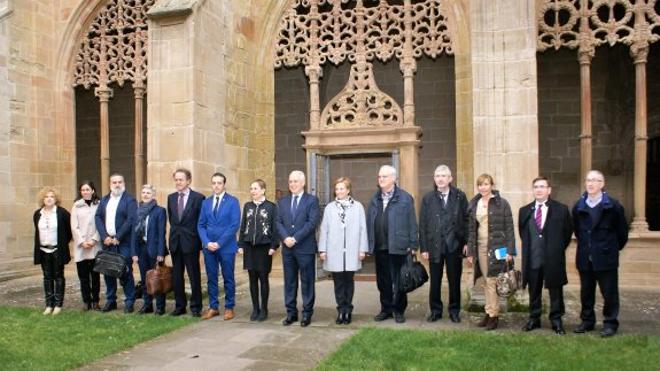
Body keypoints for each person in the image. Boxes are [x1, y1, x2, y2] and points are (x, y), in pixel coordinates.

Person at [572, 170, 628, 337]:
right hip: (585, 257)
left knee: (609, 292)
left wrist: (609, 249)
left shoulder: (613, 205)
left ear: (602, 184)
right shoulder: (578, 206)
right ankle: (587, 321)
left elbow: (622, 233)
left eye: (596, 180)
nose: (591, 183)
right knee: (586, 292)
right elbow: (578, 230)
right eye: (588, 180)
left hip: (605, 257)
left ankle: (610, 323)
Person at [519, 176, 573, 335]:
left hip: (553, 259)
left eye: (542, 186)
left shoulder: (561, 209)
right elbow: (524, 234)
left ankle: (556, 320)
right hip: (533, 258)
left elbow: (567, 233)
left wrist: (555, 249)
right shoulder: (525, 211)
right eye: (536, 187)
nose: (539, 190)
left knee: (555, 291)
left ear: (549, 190)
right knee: (534, 290)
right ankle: (534, 318)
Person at [367, 165, 418, 324]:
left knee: (399, 280)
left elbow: (412, 222)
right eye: (379, 177)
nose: (381, 179)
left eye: (384, 177)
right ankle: (386, 309)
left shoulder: (405, 198)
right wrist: (369, 244)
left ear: (394, 179)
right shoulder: (375, 199)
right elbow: (370, 222)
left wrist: (413, 244)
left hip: (399, 246)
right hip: (381, 247)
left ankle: (399, 310)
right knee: (383, 281)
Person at [419, 165, 468, 323]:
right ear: (434, 179)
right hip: (435, 245)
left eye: (443, 176)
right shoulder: (428, 199)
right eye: (437, 176)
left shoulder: (460, 196)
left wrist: (466, 242)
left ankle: (454, 310)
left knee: (454, 280)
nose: (440, 179)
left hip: (454, 245)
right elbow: (423, 224)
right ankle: (435, 311)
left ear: (450, 179)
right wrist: (424, 247)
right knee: (435, 281)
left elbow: (467, 221)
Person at [466, 173, 515, 330]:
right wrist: (470, 252)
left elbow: (509, 227)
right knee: (487, 282)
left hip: (497, 247)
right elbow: (471, 230)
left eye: (486, 184)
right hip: (480, 247)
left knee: (493, 281)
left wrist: (510, 250)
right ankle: (489, 312)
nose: (483, 187)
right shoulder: (475, 203)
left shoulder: (502, 204)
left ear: (492, 185)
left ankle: (493, 315)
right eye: (480, 184)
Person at [319, 177, 368, 325]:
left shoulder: (357, 207)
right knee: (338, 283)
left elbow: (362, 228)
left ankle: (348, 310)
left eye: (342, 188)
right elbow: (324, 229)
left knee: (349, 281)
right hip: (334, 250)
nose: (339, 191)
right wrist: (322, 249)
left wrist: (362, 249)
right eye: (337, 189)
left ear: (348, 190)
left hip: (352, 250)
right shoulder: (330, 207)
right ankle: (341, 310)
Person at [275, 170, 320, 327]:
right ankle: (291, 313)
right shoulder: (283, 202)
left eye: (295, 181)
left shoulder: (312, 201)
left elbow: (311, 222)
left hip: (305, 247)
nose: (292, 184)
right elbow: (278, 222)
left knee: (307, 281)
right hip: (288, 249)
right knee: (290, 281)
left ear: (303, 183)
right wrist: (286, 238)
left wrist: (295, 238)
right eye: (290, 181)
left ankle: (307, 313)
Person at [198, 172, 241, 320]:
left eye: (219, 183)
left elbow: (234, 224)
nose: (216, 186)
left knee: (228, 277)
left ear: (224, 184)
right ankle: (213, 307)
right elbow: (201, 225)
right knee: (211, 277)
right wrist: (207, 242)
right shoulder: (206, 203)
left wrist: (219, 243)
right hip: (209, 247)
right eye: (214, 183)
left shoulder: (232, 201)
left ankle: (229, 307)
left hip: (226, 246)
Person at [94, 173, 137, 313]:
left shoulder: (130, 200)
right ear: (110, 184)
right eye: (114, 182)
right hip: (107, 242)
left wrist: (118, 236)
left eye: (120, 182)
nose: (117, 184)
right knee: (108, 271)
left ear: (123, 183)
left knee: (126, 271)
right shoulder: (105, 200)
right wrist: (104, 236)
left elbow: (131, 220)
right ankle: (111, 300)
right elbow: (98, 217)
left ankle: (129, 301)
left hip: (123, 242)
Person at [238, 179, 279, 322]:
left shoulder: (271, 207)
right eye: (251, 188)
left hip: (264, 248)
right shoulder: (247, 206)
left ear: (263, 190)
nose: (252, 191)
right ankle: (255, 308)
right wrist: (240, 245)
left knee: (263, 278)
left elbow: (275, 228)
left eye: (255, 188)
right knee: (252, 279)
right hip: (249, 247)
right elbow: (243, 226)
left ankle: (264, 309)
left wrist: (274, 246)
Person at [167, 169, 205, 317]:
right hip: (176, 242)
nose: (178, 182)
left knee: (194, 275)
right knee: (177, 276)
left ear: (188, 181)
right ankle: (179, 306)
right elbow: (173, 219)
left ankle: (196, 307)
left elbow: (201, 221)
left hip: (191, 242)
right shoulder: (171, 198)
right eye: (176, 179)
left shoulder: (198, 198)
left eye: (181, 179)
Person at [34, 187, 72, 315]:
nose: (49, 199)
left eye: (52, 196)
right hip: (43, 250)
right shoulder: (38, 214)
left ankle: (58, 305)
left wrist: (62, 244)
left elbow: (68, 231)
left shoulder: (62, 213)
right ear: (42, 199)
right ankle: (49, 305)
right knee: (47, 277)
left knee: (58, 276)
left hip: (57, 250)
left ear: (56, 199)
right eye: (46, 197)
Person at [131, 184, 168, 315]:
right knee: (145, 279)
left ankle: (160, 306)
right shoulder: (137, 211)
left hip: (154, 249)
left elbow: (161, 233)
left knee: (157, 278)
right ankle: (147, 305)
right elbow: (133, 234)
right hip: (141, 249)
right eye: (143, 192)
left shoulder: (159, 211)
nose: (145, 195)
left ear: (153, 195)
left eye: (148, 193)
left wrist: (160, 252)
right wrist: (134, 252)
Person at [70, 180, 102, 311]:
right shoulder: (76, 206)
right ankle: (86, 302)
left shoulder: (99, 205)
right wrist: (82, 242)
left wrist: (94, 240)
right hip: (81, 246)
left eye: (87, 189)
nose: (85, 192)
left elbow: (101, 224)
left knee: (95, 276)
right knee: (83, 277)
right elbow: (74, 226)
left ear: (93, 190)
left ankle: (96, 301)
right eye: (83, 190)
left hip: (95, 246)